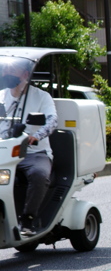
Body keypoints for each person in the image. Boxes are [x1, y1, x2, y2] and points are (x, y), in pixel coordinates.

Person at [0, 58, 58, 237]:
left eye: (12, 71)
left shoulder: (41, 96)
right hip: (4, 151)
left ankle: (28, 219)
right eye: (5, 71)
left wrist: (36, 136)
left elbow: (52, 120)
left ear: (25, 75)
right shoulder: (1, 95)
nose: (7, 75)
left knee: (39, 174)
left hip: (34, 152)